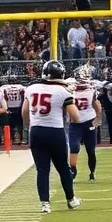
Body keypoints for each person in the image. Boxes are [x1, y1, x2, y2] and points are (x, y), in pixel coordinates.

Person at [22, 60, 82, 214]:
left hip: (36, 132)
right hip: (55, 132)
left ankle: (45, 204)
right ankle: (71, 199)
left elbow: (24, 112)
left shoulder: (31, 88)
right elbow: (76, 117)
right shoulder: (63, 92)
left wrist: (31, 125)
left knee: (42, 170)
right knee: (63, 167)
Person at [68, 66, 100, 181]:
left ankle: (92, 173)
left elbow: (98, 107)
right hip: (75, 123)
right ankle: (73, 170)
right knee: (74, 147)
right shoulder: (69, 89)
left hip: (88, 121)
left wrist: (96, 121)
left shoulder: (91, 89)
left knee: (91, 150)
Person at [0, 74, 25, 144]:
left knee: (10, 125)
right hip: (18, 107)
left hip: (9, 106)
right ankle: (20, 139)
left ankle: (11, 139)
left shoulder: (3, 87)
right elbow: (23, 95)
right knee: (19, 124)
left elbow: (3, 96)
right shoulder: (21, 87)